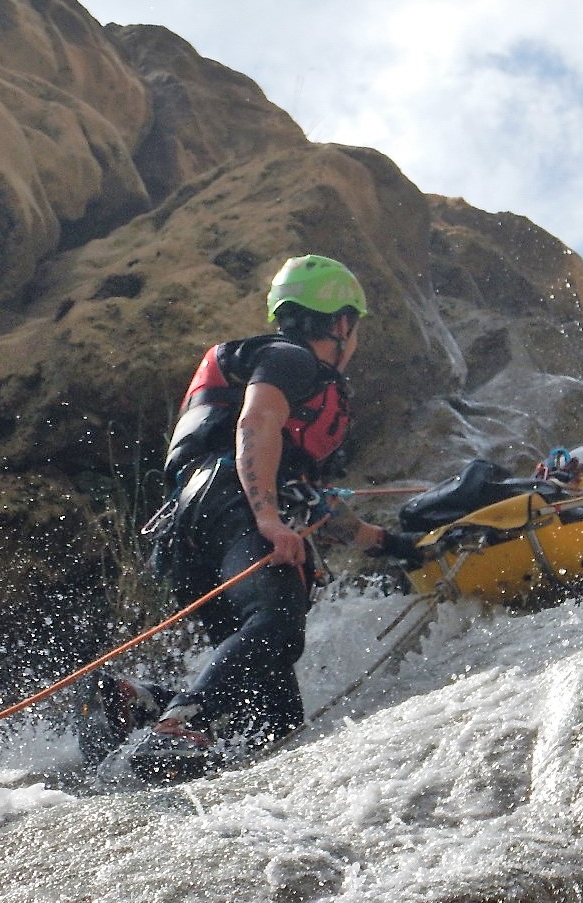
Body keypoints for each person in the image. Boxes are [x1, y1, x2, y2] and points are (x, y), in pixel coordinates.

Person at [108, 254, 422, 783]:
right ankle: (178, 725)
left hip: (190, 526)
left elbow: (317, 498)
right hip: (237, 506)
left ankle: (137, 702)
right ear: (342, 323)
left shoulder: (269, 366)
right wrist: (269, 518)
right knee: (277, 624)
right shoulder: (291, 361)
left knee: (273, 717)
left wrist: (390, 543)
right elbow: (256, 423)